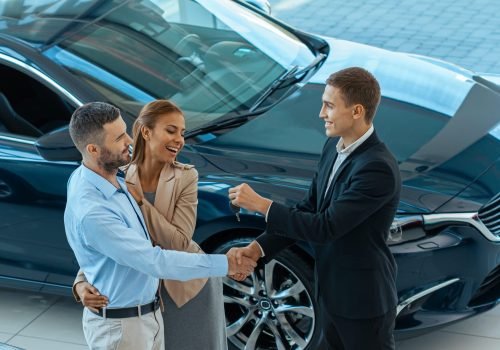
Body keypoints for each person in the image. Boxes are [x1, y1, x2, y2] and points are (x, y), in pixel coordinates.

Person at [228, 67, 401, 350]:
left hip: (362, 302)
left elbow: (326, 227)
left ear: (357, 111)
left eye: (329, 106)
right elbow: (310, 209)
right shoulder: (333, 147)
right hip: (331, 293)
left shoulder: (377, 168)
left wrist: (261, 205)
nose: (321, 113)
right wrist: (258, 250)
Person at [65, 102, 255, 350]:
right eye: (170, 130)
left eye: (182, 133)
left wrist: (139, 201)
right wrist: (81, 282)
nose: (128, 140)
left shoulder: (119, 176)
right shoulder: (109, 182)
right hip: (131, 313)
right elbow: (113, 243)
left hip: (178, 293)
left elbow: (175, 242)